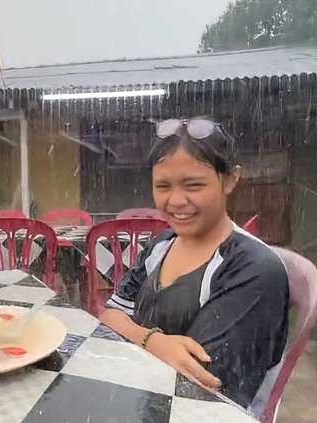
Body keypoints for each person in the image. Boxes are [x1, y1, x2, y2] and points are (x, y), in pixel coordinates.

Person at [99, 117, 289, 412]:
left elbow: (202, 388)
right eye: (163, 186)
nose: (176, 201)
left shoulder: (255, 270)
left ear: (230, 179)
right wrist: (152, 341)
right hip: (141, 396)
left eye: (194, 185)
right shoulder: (161, 245)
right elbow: (110, 317)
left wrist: (134, 337)